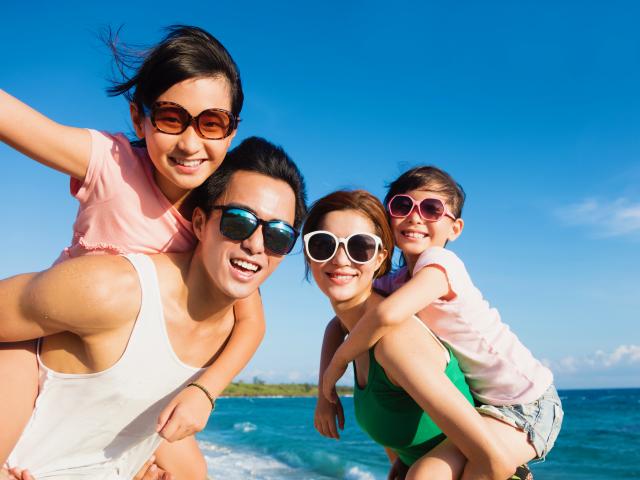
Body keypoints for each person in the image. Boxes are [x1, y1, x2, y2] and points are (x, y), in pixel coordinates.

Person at [0, 25, 263, 475]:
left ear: (232, 131)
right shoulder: (109, 162)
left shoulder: (216, 217)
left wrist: (205, 390)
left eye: (212, 123)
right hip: (39, 335)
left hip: (120, 376)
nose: (190, 143)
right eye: (170, 118)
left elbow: (250, 322)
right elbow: (19, 122)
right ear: (140, 118)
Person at [0, 136, 307, 479]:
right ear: (201, 223)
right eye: (238, 222)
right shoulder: (111, 290)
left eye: (279, 236)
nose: (255, 245)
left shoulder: (235, 328)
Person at [320, 167, 563, 478]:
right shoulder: (396, 282)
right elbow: (339, 323)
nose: (415, 217)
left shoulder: (441, 265)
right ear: (388, 217)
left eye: (432, 209)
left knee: (437, 473)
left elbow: (385, 316)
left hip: (528, 403)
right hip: (484, 406)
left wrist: (338, 363)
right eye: (402, 206)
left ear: (455, 229)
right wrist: (323, 396)